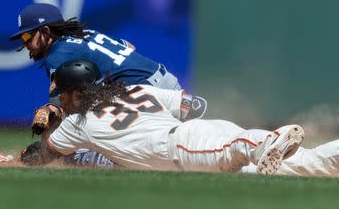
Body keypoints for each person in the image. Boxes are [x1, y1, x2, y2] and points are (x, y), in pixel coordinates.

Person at [22, 59, 305, 175]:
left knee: (238, 147)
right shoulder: (133, 89)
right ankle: (333, 155)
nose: (60, 100)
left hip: (177, 147)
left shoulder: (76, 124)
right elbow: (192, 105)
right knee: (295, 164)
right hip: (196, 130)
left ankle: (272, 138)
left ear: (75, 92)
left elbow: (42, 155)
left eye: (63, 95)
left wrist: (15, 157)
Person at [8, 2, 206, 119]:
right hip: (165, 80)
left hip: (146, 95)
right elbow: (129, 47)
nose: (25, 43)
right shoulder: (85, 33)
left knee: (87, 149)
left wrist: (48, 112)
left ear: (45, 31)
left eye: (27, 37)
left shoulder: (56, 55)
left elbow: (59, 101)